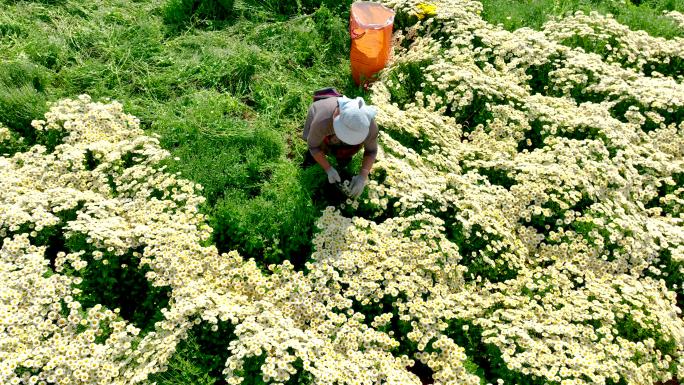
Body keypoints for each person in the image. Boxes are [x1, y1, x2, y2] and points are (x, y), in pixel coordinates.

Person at [302, 95, 378, 199]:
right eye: (342, 135)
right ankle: (313, 158)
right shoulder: (322, 121)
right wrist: (327, 168)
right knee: (315, 143)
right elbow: (313, 146)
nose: (343, 141)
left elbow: (371, 151)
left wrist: (362, 176)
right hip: (320, 119)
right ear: (336, 115)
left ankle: (343, 159)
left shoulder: (370, 126)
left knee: (344, 154)